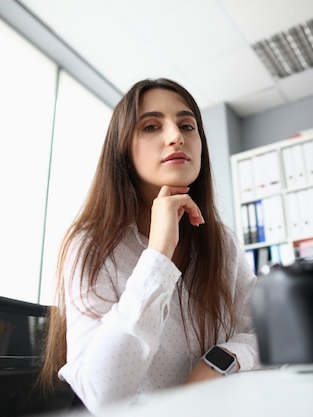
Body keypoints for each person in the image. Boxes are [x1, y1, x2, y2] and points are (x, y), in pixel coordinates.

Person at [39, 78, 259, 415]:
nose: (176, 136)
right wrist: (157, 255)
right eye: (152, 126)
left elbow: (268, 335)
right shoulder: (90, 247)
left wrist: (219, 362)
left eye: (188, 125)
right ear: (123, 151)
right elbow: (102, 395)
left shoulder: (222, 244)